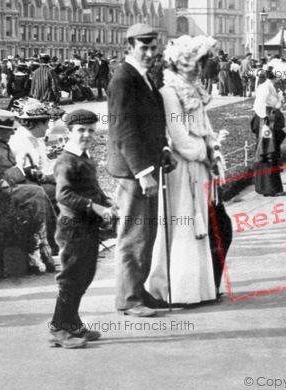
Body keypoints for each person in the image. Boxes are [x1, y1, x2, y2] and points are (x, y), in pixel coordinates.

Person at [145, 35, 224, 306]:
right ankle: (178, 290)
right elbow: (178, 134)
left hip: (199, 166)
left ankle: (200, 289)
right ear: (185, 62)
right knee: (183, 225)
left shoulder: (194, 89)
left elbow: (205, 126)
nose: (203, 66)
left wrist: (213, 150)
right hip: (180, 168)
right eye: (199, 61)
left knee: (197, 225)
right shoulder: (169, 92)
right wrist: (202, 152)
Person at [106, 23, 174, 317]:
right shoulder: (123, 79)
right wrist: (143, 171)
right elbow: (123, 130)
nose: (149, 53)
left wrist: (164, 150)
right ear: (129, 47)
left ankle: (138, 290)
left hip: (147, 165)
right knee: (133, 235)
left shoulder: (142, 78)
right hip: (133, 173)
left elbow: (150, 124)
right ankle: (129, 299)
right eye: (143, 47)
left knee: (146, 233)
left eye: (152, 47)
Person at [50, 109, 115, 348]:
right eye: (81, 130)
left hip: (86, 226)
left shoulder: (84, 156)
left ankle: (73, 323)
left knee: (84, 276)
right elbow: (64, 195)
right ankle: (59, 327)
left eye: (90, 130)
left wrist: (106, 202)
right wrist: (94, 207)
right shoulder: (67, 160)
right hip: (72, 228)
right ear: (69, 131)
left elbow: (92, 189)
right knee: (71, 278)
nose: (86, 134)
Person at [0, 108, 56, 273]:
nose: (13, 133)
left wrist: (28, 171)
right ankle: (44, 248)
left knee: (45, 189)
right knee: (36, 192)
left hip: (11, 187)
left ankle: (54, 242)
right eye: (9, 131)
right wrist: (20, 169)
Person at [251, 68, 285, 196]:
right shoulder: (266, 87)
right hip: (266, 121)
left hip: (268, 119)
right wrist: (266, 118)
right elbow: (260, 104)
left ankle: (269, 187)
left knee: (270, 151)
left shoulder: (268, 85)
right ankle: (268, 187)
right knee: (267, 151)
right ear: (275, 77)